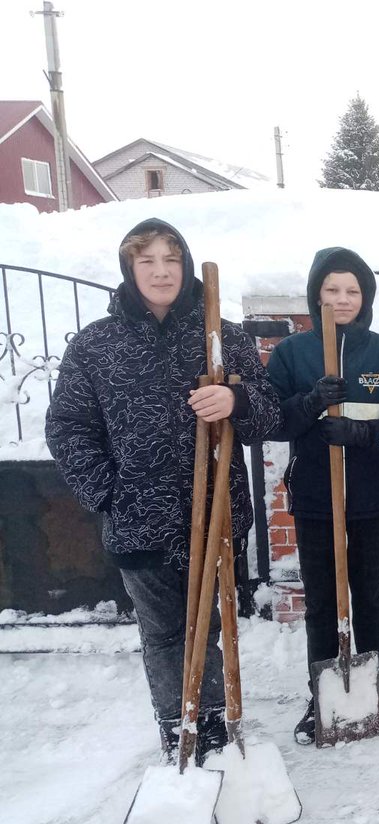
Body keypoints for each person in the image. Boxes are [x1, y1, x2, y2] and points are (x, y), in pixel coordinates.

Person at [45, 218, 280, 762]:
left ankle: (215, 728)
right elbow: (68, 428)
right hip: (137, 519)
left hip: (216, 509)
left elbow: (268, 412)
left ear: (186, 267)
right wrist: (108, 494)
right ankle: (179, 729)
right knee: (163, 633)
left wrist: (235, 403)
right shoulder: (94, 346)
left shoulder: (221, 336)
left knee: (212, 626)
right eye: (147, 261)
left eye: (171, 261)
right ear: (129, 268)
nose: (160, 272)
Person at [266, 248, 379, 744]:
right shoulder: (292, 354)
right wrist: (310, 404)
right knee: (323, 601)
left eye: (352, 290)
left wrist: (365, 435)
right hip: (314, 496)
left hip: (370, 496)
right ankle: (321, 694)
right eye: (332, 290)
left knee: (369, 597)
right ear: (316, 295)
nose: (342, 299)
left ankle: (375, 687)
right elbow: (274, 422)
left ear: (366, 296)